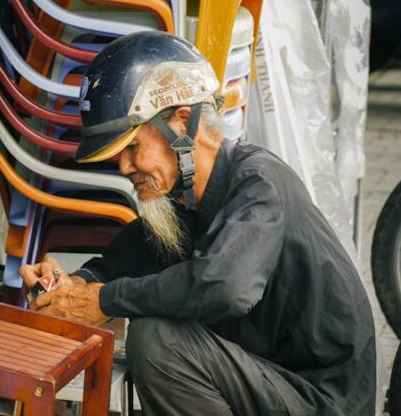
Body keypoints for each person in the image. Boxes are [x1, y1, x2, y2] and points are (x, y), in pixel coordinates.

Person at [19, 31, 377, 415]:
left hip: (318, 399)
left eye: (133, 147)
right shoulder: (186, 201)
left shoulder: (259, 184)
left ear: (182, 121)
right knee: (158, 324)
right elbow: (121, 263)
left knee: (157, 341)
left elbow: (226, 287)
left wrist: (104, 300)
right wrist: (73, 286)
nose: (124, 167)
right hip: (271, 382)